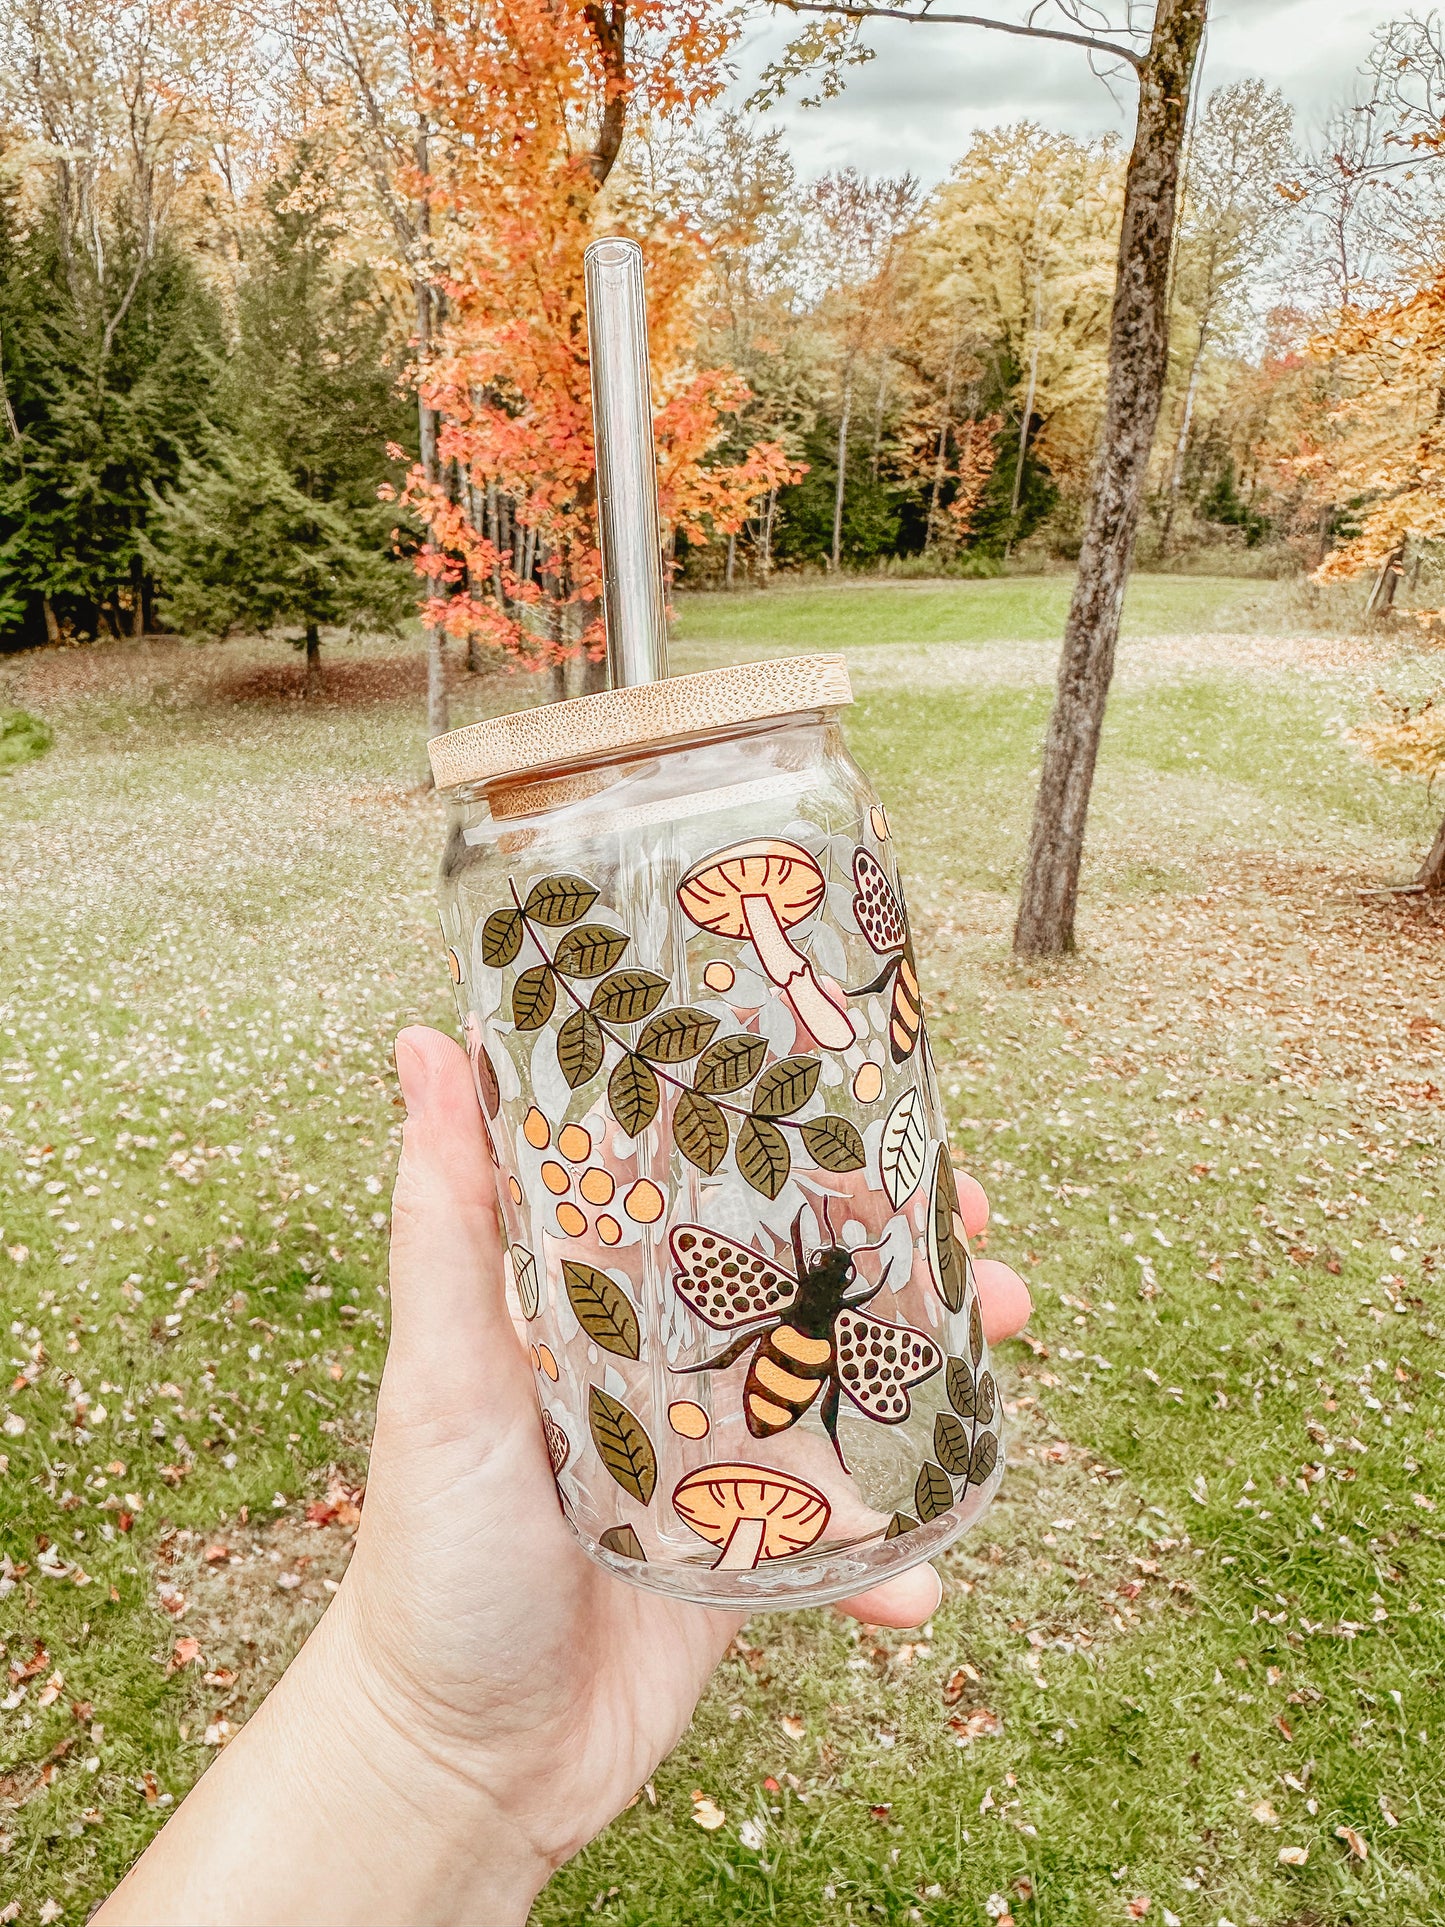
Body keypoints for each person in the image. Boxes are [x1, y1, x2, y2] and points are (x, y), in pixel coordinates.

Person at [96, 1026, 1032, 1927]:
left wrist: (426, 1757)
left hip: (772, 1365)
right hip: (786, 1380)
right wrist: (426, 1742)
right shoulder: (840, 1297)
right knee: (812, 1365)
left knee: (773, 1347)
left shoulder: (777, 1284)